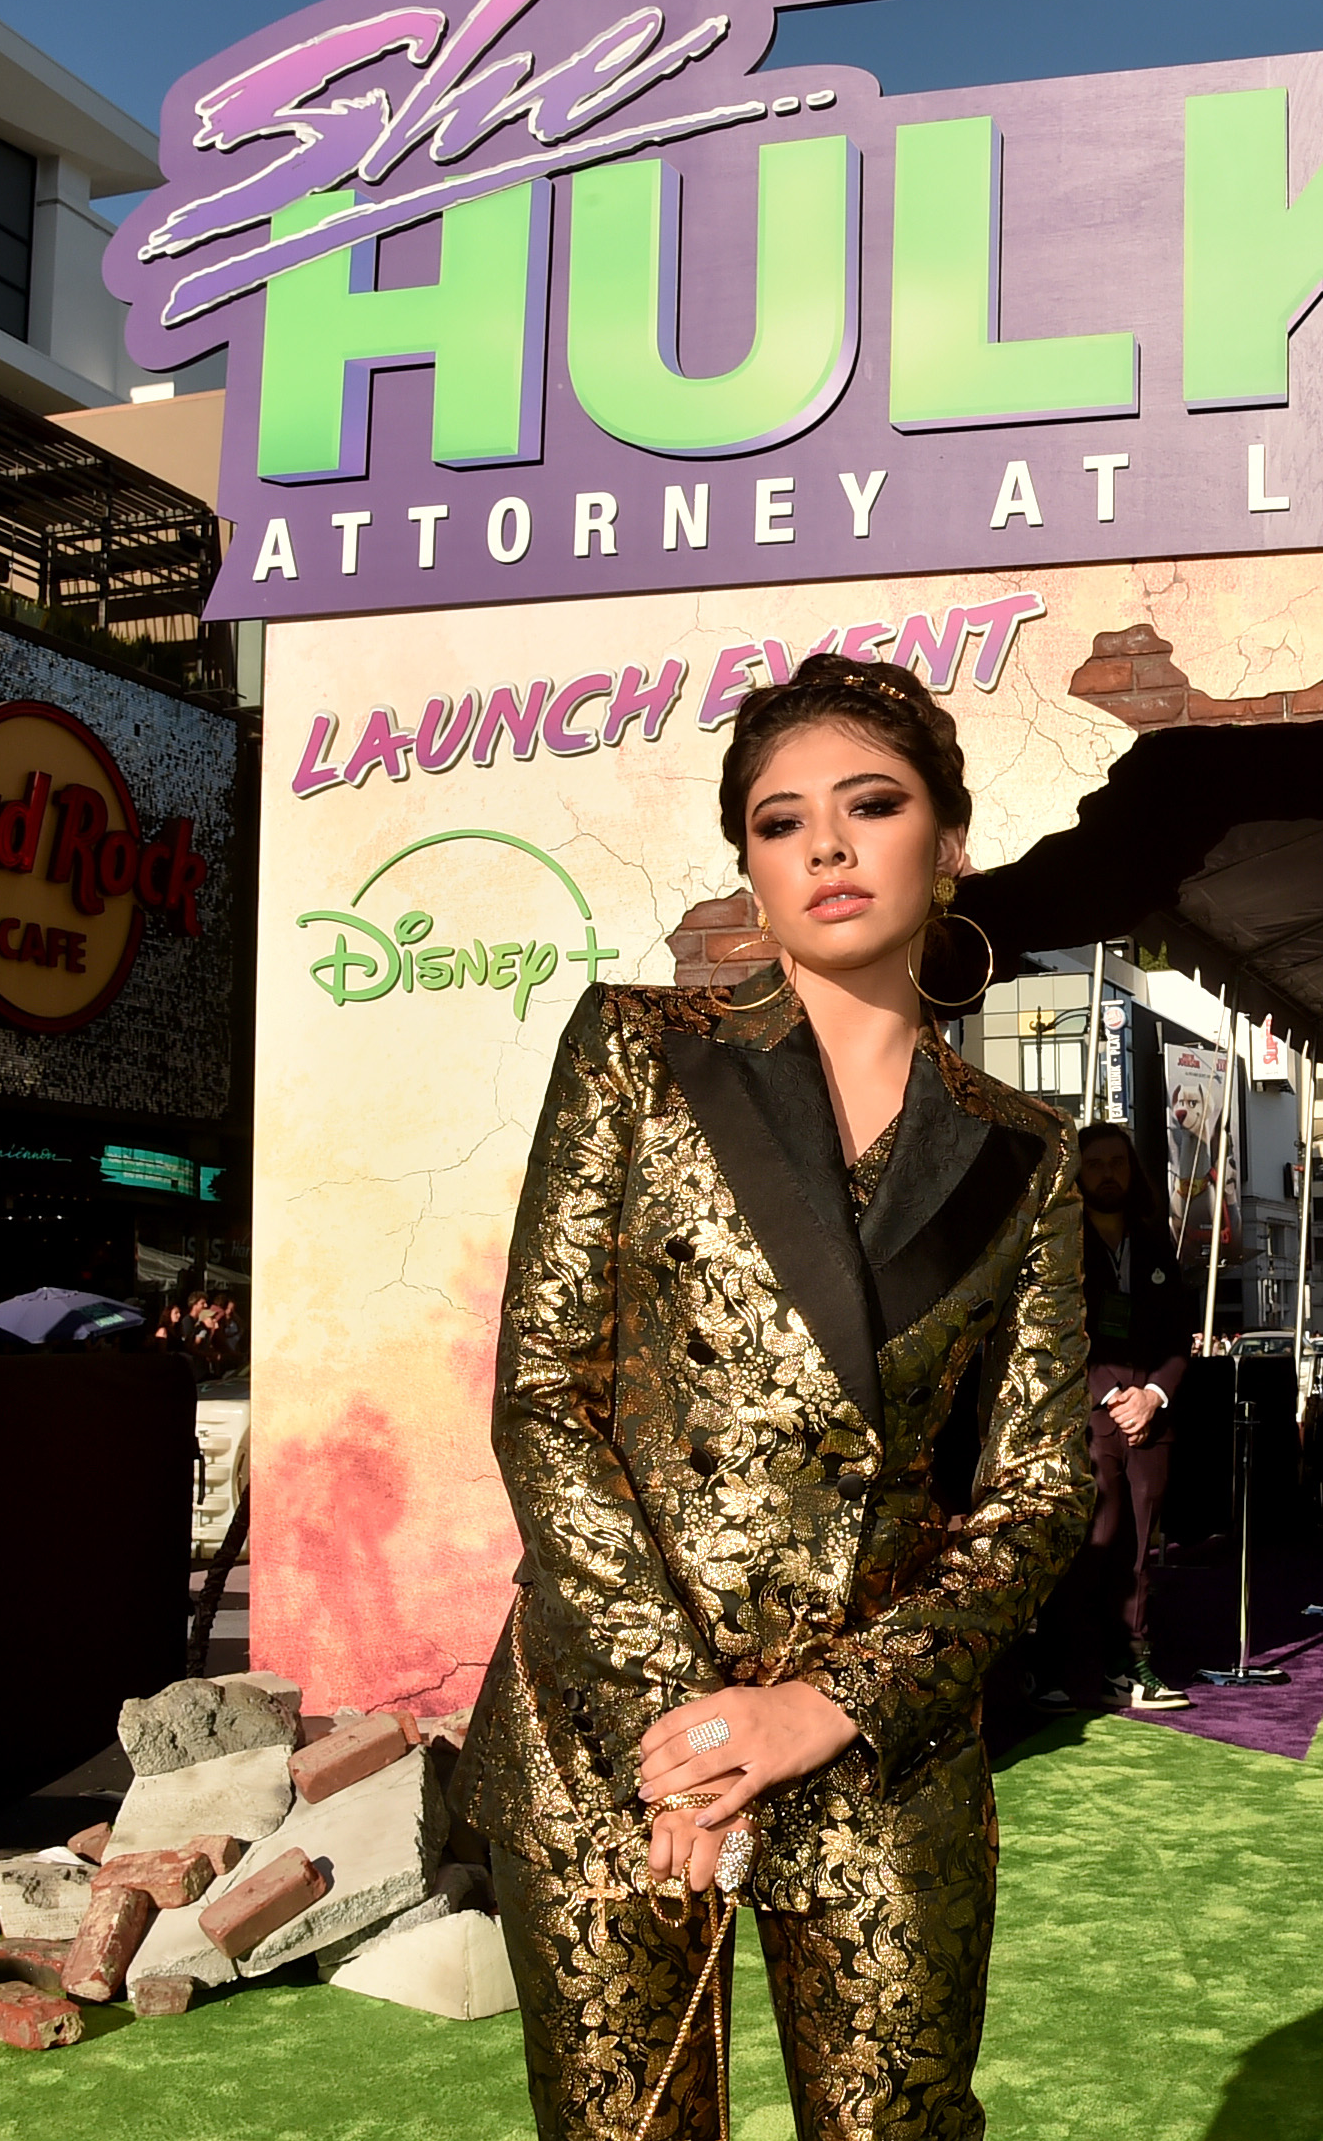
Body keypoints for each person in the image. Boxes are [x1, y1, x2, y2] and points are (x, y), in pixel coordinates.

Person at [460, 652, 1092, 2141]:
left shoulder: (1026, 1150)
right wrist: (679, 1735)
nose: (825, 847)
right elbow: (544, 1392)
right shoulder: (638, 1052)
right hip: (612, 1723)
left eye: (871, 805)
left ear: (949, 841)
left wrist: (827, 1705)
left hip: (876, 1735)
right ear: (748, 862)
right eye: (779, 820)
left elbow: (1040, 1488)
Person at [1069, 1121, 1194, 1711]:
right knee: (1092, 1540)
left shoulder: (1153, 1240)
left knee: (1141, 1548)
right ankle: (1060, 1664)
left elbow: (1179, 1335)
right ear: (1077, 1173)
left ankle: (1131, 1666)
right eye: (1094, 1164)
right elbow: (1053, 1332)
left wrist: (1153, 1396)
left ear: (1132, 1170)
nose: (1107, 1174)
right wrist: (1112, 1395)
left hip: (1150, 1419)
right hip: (1086, 1416)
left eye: (1116, 1163)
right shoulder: (1061, 1241)